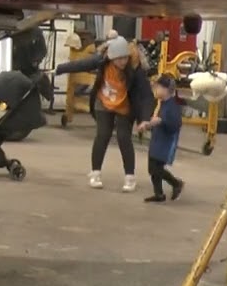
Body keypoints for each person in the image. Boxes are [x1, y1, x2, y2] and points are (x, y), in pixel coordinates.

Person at [55, 35, 154, 192]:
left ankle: (130, 177)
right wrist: (60, 69)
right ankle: (95, 173)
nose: (122, 62)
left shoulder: (135, 68)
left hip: (125, 105)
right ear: (111, 57)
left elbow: (146, 95)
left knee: (123, 138)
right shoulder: (102, 60)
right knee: (102, 135)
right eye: (118, 59)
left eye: (125, 58)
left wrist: (145, 118)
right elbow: (82, 64)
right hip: (103, 101)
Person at [137, 74, 184, 202]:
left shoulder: (172, 106)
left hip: (165, 142)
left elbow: (175, 124)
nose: (155, 90)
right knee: (152, 168)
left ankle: (176, 183)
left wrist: (161, 122)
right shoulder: (162, 103)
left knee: (156, 168)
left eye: (157, 87)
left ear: (166, 89)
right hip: (157, 139)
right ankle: (159, 193)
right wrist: (148, 124)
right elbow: (156, 120)